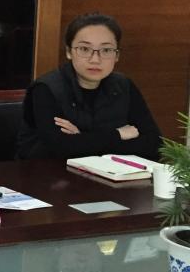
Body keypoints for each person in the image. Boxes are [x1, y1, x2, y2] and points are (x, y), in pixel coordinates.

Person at [15, 12, 161, 161]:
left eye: (106, 50)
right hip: (45, 172)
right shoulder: (46, 88)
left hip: (109, 172)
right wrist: (118, 135)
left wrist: (82, 139)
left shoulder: (124, 85)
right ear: (69, 52)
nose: (95, 59)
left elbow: (155, 144)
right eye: (85, 49)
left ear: (117, 55)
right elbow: (59, 148)